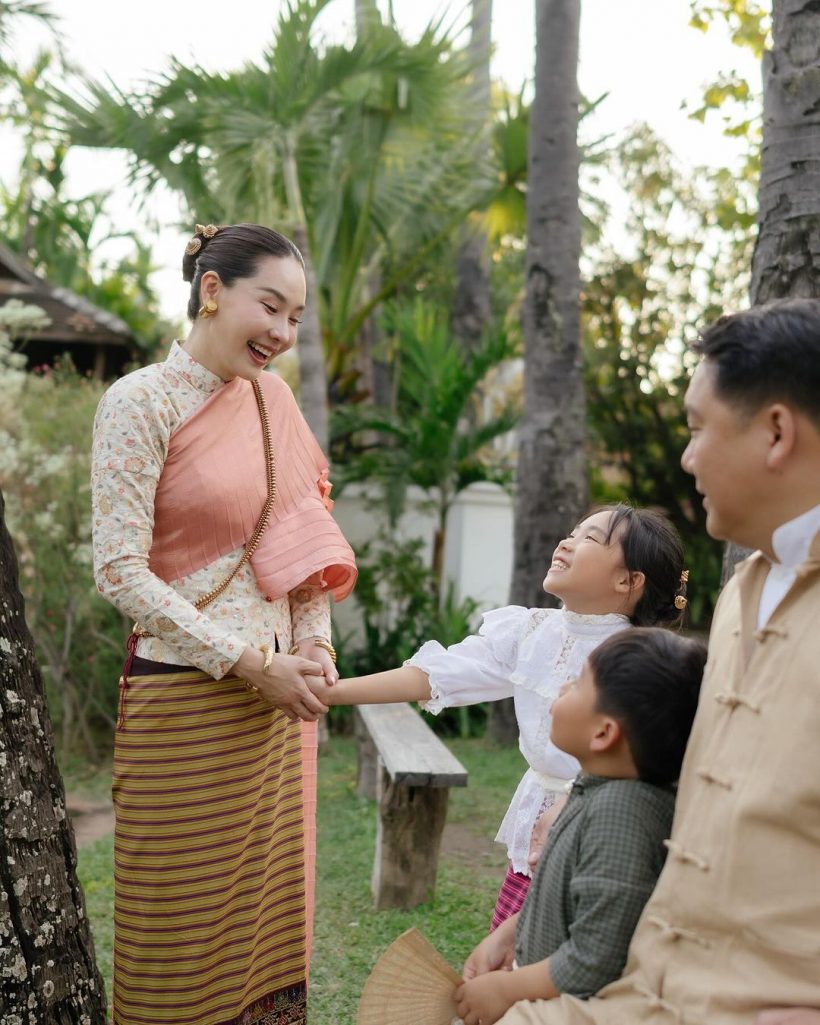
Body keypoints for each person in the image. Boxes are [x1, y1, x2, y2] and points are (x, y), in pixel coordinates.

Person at [495, 298, 820, 1025]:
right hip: (637, 989)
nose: (687, 456)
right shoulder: (742, 593)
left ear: (775, 431)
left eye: (700, 427)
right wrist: (523, 926)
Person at [91, 223, 357, 1025]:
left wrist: (312, 646)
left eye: (297, 318)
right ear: (213, 291)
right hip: (184, 701)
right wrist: (248, 660)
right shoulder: (139, 400)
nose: (282, 333)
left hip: (276, 708)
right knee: (173, 935)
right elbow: (118, 569)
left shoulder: (275, 405)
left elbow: (304, 546)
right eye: (270, 307)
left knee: (264, 932)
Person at [311, 503, 687, 927]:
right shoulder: (530, 631)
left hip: (604, 827)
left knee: (563, 953)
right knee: (511, 947)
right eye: (573, 531)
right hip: (538, 815)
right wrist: (332, 692)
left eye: (590, 539)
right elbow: (437, 675)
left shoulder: (639, 658)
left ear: (628, 580)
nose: (566, 542)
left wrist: (574, 800)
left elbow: (648, 758)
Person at [453, 628, 706, 1025]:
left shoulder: (621, 814)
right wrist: (510, 934)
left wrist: (508, 989)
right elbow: (575, 903)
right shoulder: (596, 790)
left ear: (604, 733)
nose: (563, 687)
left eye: (578, 684)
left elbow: (596, 958)